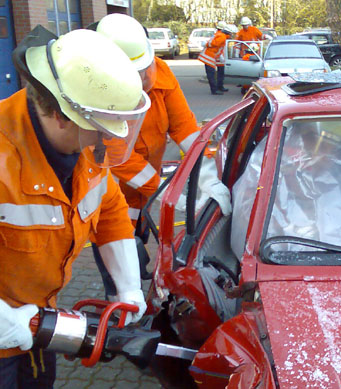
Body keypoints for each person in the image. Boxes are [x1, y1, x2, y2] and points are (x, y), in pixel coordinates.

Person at [0, 26, 149, 387]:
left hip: (35, 324)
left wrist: (128, 286)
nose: (108, 138)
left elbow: (110, 209)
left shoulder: (84, 151)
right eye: (101, 128)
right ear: (62, 116)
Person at [91, 13, 232, 297]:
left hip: (141, 201)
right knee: (118, 276)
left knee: (137, 251)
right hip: (107, 202)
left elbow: (188, 131)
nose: (145, 78)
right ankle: (119, 307)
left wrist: (207, 178)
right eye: (136, 74)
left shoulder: (161, 74)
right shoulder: (98, 94)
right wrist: (172, 196)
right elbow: (118, 159)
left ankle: (135, 271)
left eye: (146, 69)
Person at [199, 21, 233, 95]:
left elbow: (217, 47)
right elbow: (214, 44)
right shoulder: (221, 36)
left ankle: (217, 88)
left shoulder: (220, 35)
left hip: (212, 56)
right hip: (209, 57)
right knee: (211, 74)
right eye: (231, 33)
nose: (232, 35)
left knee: (212, 73)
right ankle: (214, 90)